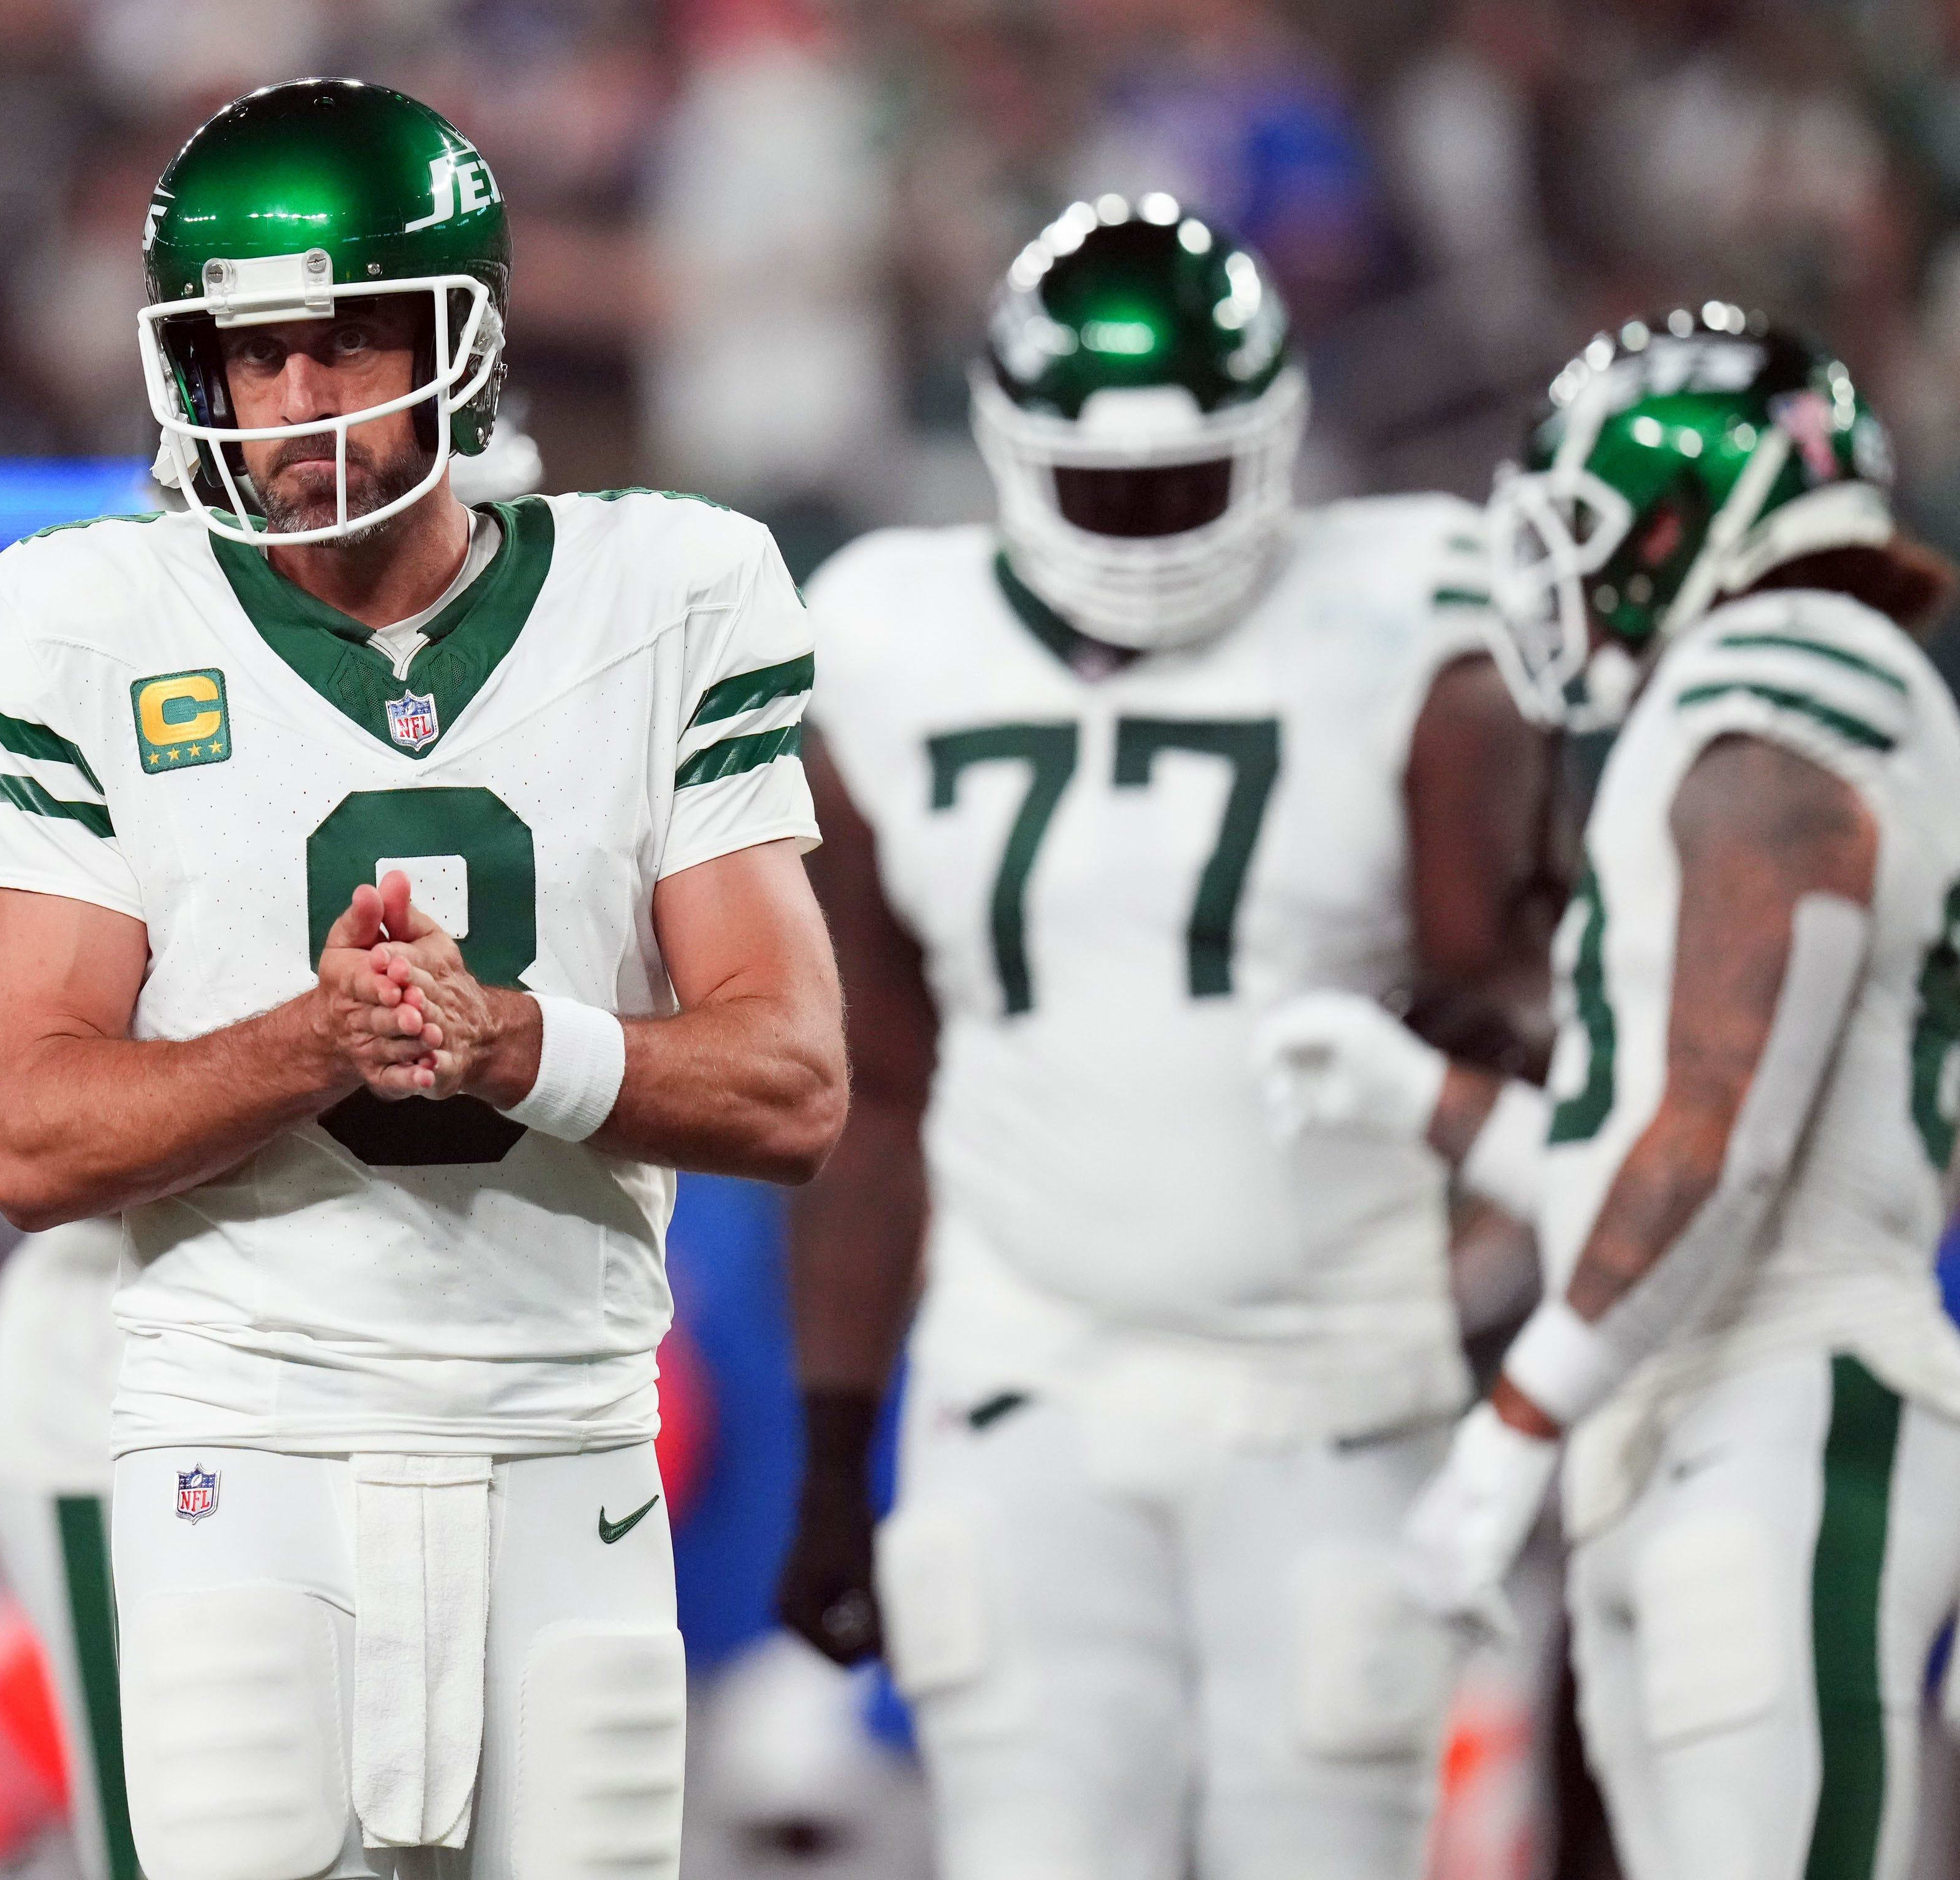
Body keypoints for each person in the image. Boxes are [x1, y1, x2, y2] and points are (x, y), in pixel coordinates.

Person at [0, 77, 848, 1880]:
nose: (291, 407)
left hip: (561, 1427)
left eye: (341, 348)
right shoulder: (82, 618)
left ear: (466, 335)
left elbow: (793, 1085)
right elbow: (26, 1135)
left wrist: (518, 1043)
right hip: (240, 1431)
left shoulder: (669, 590)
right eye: (248, 358)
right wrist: (310, 1041)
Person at [783, 193, 1557, 1879]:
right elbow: (879, 1086)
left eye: (1182, 485)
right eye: (1104, 492)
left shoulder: (1412, 614)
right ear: (1005, 449)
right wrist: (833, 1443)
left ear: (1276, 441)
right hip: (1020, 1387)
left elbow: (1508, 1011)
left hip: (1336, 1383)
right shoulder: (882, 640)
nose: (1144, 533)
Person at [1255, 309, 1960, 1880]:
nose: (1560, 576)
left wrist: (1513, 1422)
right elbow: (1630, 1152)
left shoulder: (1790, 675)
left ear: (1707, 505)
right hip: (1688, 1415)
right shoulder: (1723, 700)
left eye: (1587, 526)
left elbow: (1720, 1142)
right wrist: (1413, 1092)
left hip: (1787, 1402)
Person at [0, 414, 549, 1880]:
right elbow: (33, 1098)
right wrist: (313, 1040)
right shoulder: (117, 661)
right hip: (154, 1366)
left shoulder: (555, 672)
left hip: (441, 1364)